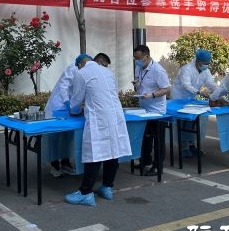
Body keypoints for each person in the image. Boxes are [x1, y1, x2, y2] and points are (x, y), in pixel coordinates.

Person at [64, 55, 132, 206]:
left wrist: (74, 110)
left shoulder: (81, 73)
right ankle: (107, 187)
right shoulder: (107, 72)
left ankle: (85, 193)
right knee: (113, 151)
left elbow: (76, 101)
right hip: (116, 116)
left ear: (80, 64)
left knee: (94, 153)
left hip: (99, 118)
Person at [132, 45, 171, 176]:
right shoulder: (139, 67)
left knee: (158, 140)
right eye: (135, 58)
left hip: (156, 111)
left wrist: (152, 95)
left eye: (138, 58)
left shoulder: (158, 70)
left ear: (146, 56)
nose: (136, 61)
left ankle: (157, 166)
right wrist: (137, 83)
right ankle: (145, 160)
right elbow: (139, 80)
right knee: (145, 137)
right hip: (143, 109)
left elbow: (167, 89)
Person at [171, 49, 218, 158]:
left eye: (208, 63)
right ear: (198, 61)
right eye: (205, 63)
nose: (206, 65)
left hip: (191, 99)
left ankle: (192, 145)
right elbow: (186, 85)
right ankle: (184, 147)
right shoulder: (186, 69)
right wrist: (199, 92)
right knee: (183, 122)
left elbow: (211, 84)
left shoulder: (206, 71)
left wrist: (220, 93)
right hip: (179, 98)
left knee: (193, 121)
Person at [44, 58, 81, 177]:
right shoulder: (73, 67)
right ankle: (54, 165)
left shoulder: (87, 71)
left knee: (68, 137)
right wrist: (67, 103)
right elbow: (63, 87)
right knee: (55, 137)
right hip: (58, 106)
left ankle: (66, 163)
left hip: (70, 107)